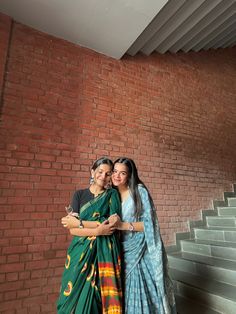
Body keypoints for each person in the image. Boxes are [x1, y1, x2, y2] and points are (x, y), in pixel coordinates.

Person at [110, 157, 176, 314]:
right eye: (114, 171)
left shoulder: (139, 191)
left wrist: (122, 226)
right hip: (118, 250)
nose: (117, 176)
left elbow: (149, 224)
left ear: (130, 175)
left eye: (122, 173)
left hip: (139, 250)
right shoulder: (110, 194)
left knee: (138, 287)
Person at [57, 157, 123, 314]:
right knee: (70, 296)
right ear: (92, 172)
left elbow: (111, 224)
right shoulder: (79, 195)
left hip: (102, 255)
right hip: (79, 252)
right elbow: (73, 230)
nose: (103, 176)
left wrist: (79, 222)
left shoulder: (112, 194)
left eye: (108, 174)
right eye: (100, 172)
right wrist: (97, 230)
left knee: (95, 298)